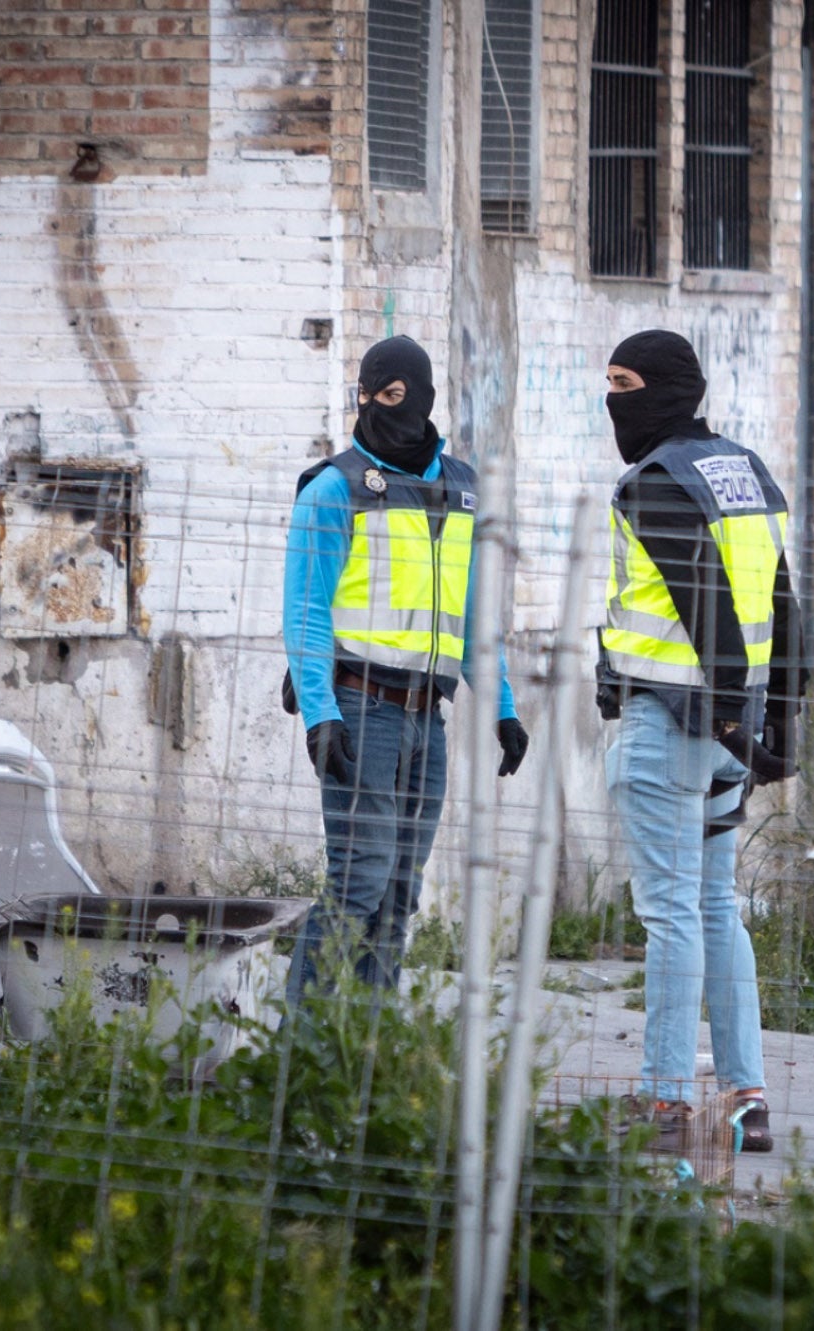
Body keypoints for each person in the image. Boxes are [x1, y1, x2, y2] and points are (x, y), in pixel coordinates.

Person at [596, 329, 808, 1152]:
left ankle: (665, 1103)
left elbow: (710, 603)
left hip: (671, 724)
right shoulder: (744, 473)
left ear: (666, 388)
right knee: (718, 906)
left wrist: (731, 717)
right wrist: (778, 717)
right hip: (731, 731)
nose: (613, 399)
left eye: (624, 382)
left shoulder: (654, 484)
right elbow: (783, 602)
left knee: (672, 914)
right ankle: (747, 1099)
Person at [282, 335, 528, 1001]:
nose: (380, 407)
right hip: (360, 708)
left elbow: (475, 612)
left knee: (398, 895)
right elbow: (304, 610)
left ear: (421, 398)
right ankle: (295, 1050)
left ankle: (369, 1051)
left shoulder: (463, 489)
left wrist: (502, 704)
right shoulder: (334, 489)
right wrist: (319, 712)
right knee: (359, 881)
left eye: (394, 396)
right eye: (369, 395)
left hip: (429, 720)